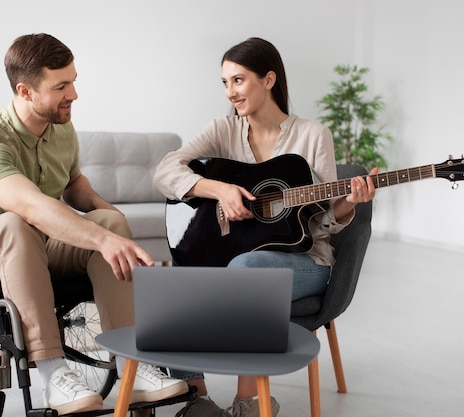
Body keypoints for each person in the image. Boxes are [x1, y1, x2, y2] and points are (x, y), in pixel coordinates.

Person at [0, 33, 188, 415]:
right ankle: (53, 376)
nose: (74, 94)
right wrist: (101, 239)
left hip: (46, 244)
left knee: (109, 221)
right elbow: (33, 208)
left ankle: (135, 367)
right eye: (61, 86)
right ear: (25, 91)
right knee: (17, 225)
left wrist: (105, 214)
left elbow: (73, 185)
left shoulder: (62, 128)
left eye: (74, 80)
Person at [153, 37, 377, 417]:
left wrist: (349, 203)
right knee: (175, 282)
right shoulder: (222, 130)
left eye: (238, 81)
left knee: (245, 271)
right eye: (225, 83)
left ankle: (250, 402)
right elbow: (164, 171)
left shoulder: (312, 135)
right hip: (234, 253)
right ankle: (195, 399)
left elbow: (325, 221)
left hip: (304, 261)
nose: (230, 92)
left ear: (269, 79)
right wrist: (220, 190)